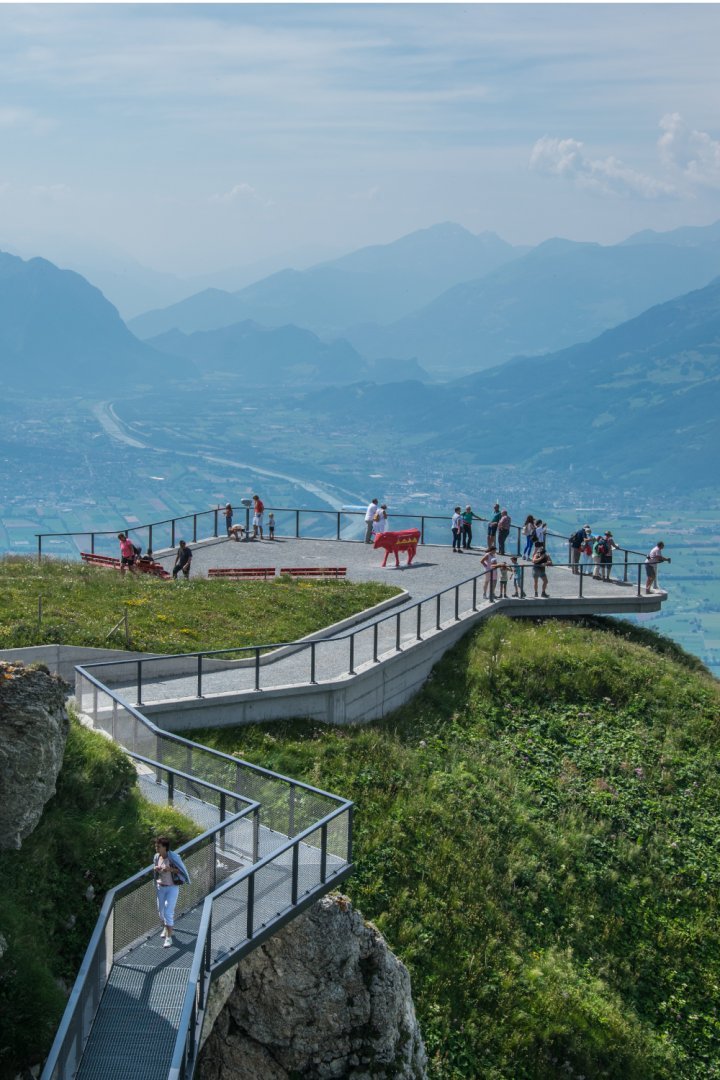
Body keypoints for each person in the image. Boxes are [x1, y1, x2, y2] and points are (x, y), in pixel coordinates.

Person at [153, 836, 191, 948]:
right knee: (161, 912)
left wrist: (170, 869)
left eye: (158, 846)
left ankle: (169, 938)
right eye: (156, 846)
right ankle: (165, 928)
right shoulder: (156, 857)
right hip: (161, 887)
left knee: (168, 912)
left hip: (172, 888)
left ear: (165, 847)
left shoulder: (173, 857)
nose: (156, 848)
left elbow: (181, 870)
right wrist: (156, 869)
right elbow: (155, 868)